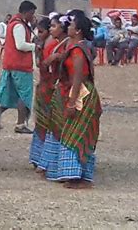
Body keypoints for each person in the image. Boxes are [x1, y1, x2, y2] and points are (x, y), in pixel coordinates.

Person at [36, 12, 102, 189]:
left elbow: (78, 77)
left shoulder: (78, 50)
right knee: (70, 132)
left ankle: (81, 178)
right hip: (76, 92)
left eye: (71, 25)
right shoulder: (73, 47)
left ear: (78, 30)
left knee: (76, 134)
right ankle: (72, 174)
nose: (68, 27)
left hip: (81, 95)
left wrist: (72, 102)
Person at [0, 0, 40, 134]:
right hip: (20, 65)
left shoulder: (15, 23)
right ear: (25, 12)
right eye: (32, 13)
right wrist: (36, 47)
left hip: (12, 64)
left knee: (12, 93)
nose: (33, 15)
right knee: (23, 95)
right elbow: (21, 45)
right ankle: (20, 124)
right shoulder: (19, 26)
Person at [29, 15, 67, 170]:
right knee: (47, 124)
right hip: (48, 88)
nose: (50, 30)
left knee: (51, 124)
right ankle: (44, 159)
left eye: (53, 27)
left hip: (52, 88)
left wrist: (57, 56)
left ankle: (45, 160)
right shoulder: (51, 45)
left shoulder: (58, 46)